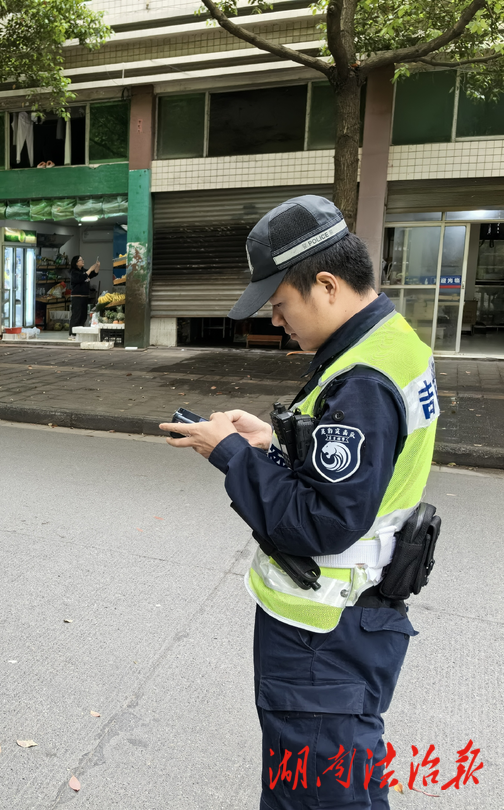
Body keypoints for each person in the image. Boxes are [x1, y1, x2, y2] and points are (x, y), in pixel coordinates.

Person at [159, 195, 438, 810]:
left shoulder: (361, 381)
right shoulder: (394, 345)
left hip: (323, 633)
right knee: (337, 783)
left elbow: (321, 521)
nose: (277, 320)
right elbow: (352, 479)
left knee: (318, 797)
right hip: (357, 622)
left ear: (328, 285)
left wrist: (233, 456)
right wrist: (268, 443)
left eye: (281, 304)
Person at [68, 255, 100, 335]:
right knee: (76, 316)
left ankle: (79, 332)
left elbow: (93, 274)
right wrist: (90, 269)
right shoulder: (73, 272)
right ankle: (72, 333)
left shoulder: (83, 271)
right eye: (81, 260)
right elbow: (82, 277)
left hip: (84, 297)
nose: (83, 261)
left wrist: (97, 266)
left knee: (83, 316)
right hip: (77, 297)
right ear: (76, 263)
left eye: (82, 259)